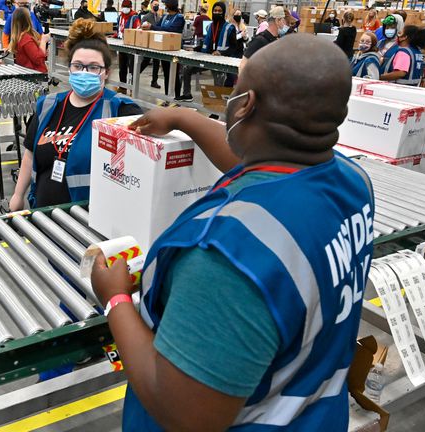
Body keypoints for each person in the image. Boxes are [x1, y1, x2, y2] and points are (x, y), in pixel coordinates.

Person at [90, 34, 374, 432]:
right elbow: (253, 162)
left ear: (247, 104)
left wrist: (116, 299)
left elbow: (186, 414)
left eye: (237, 90)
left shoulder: (226, 253)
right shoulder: (351, 181)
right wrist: (181, 118)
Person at [9, 19, 143, 211]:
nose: (84, 72)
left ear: (106, 72)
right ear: (69, 68)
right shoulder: (48, 105)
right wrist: (18, 195)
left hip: (88, 222)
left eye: (94, 67)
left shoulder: (120, 111)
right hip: (42, 215)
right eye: (78, 66)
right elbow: (30, 154)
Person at [178, 1, 237, 102]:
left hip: (220, 61)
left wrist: (221, 53)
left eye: (219, 11)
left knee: (218, 80)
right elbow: (206, 44)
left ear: (223, 12)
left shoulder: (230, 28)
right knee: (187, 69)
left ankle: (216, 108)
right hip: (206, 58)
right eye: (215, 10)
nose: (217, 12)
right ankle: (187, 94)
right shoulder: (210, 27)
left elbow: (234, 47)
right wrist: (195, 49)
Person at [141, 0, 184, 97]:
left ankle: (176, 98)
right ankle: (167, 98)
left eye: (165, 4)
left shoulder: (179, 18)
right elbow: (158, 27)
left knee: (175, 74)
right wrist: (149, 27)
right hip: (164, 51)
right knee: (167, 74)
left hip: (175, 52)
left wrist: (152, 27)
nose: (164, 6)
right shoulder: (165, 16)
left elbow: (172, 30)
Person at [240, 6, 290, 72]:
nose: (285, 25)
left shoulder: (276, 40)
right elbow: (243, 65)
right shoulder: (259, 40)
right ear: (277, 20)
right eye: (283, 21)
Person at [10, 6, 49, 72]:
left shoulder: (19, 36)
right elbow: (38, 59)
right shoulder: (26, 39)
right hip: (34, 73)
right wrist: (43, 42)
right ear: (28, 20)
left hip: (26, 71)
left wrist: (40, 48)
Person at [114, 0, 141, 93]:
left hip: (131, 46)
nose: (124, 9)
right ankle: (122, 87)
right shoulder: (120, 16)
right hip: (121, 45)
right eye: (123, 6)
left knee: (132, 68)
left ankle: (132, 88)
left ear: (130, 7)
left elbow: (137, 29)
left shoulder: (134, 17)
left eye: (126, 7)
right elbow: (118, 28)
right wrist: (115, 35)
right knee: (122, 67)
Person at [139, 1, 162, 88]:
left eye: (157, 5)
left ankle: (154, 81)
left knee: (156, 61)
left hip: (157, 42)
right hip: (148, 42)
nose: (156, 6)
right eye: (155, 4)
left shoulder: (159, 17)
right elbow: (142, 28)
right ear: (151, 5)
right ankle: (135, 76)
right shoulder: (146, 17)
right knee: (146, 61)